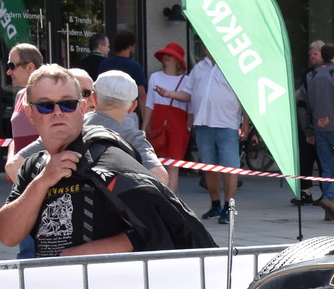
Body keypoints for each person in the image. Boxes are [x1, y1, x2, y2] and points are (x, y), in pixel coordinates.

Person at [0, 65, 134, 258]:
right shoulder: (34, 166)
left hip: (101, 276)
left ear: (82, 108)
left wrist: (81, 255)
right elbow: (7, 236)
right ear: (30, 114)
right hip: (49, 276)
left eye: (67, 104)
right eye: (45, 106)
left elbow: (158, 226)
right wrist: (42, 181)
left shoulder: (109, 157)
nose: (57, 112)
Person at [177, 49, 245, 223]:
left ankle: (229, 208)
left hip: (227, 124)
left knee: (230, 169)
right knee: (209, 167)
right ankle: (215, 205)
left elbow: (245, 97)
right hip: (203, 124)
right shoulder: (200, 67)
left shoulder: (233, 66)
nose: (206, 47)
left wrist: (246, 123)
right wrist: (168, 94)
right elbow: (187, 93)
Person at [298, 40, 334, 221]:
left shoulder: (310, 76)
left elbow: (302, 106)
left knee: (327, 168)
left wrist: (308, 130)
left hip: (318, 127)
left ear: (323, 56)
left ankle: (329, 210)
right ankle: (330, 199)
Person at [86, 70, 165, 175]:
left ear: (93, 98)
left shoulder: (75, 125)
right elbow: (159, 174)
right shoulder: (133, 138)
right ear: (133, 106)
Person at [144, 42, 190, 192]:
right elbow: (149, 103)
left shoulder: (186, 80)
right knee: (159, 164)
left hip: (178, 124)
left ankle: (172, 200)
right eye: (165, 54)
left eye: (170, 55)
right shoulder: (155, 77)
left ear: (178, 60)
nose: (166, 57)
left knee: (173, 165)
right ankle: (164, 197)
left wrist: (188, 127)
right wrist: (144, 127)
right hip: (159, 122)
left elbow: (191, 105)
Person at [5, 42, 44, 171]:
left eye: (12, 66)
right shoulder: (20, 95)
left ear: (30, 67)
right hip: (21, 173)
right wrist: (11, 162)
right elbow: (15, 138)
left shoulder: (48, 96)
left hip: (41, 172)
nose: (8, 72)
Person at [97, 30, 147, 107]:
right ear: (130, 47)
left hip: (106, 108)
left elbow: (98, 89)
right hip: (127, 110)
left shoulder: (105, 64)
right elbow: (141, 96)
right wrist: (145, 115)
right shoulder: (135, 67)